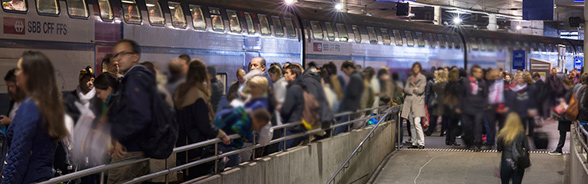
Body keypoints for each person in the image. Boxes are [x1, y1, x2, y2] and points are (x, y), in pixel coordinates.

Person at [2, 51, 69, 183]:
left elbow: (18, 158)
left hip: (27, 179)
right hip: (44, 177)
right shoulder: (48, 103)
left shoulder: (29, 107)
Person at [174, 59, 230, 180]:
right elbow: (204, 125)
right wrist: (221, 135)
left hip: (183, 146)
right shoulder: (197, 96)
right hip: (196, 149)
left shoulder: (181, 92)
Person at [107, 39, 153, 183]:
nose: (118, 58)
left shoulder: (134, 80)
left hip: (129, 152)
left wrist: (122, 139)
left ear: (135, 57)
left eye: (123, 54)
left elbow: (142, 116)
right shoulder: (141, 77)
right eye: (116, 55)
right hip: (139, 149)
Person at [457, 65, 488, 151]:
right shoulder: (465, 82)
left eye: (481, 72)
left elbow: (485, 96)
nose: (480, 74)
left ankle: (477, 143)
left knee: (478, 126)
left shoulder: (483, 83)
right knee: (467, 127)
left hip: (479, 109)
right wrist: (459, 106)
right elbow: (461, 95)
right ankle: (469, 142)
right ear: (474, 72)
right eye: (478, 72)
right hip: (467, 108)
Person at [497, 113, 530, 184]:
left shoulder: (502, 133)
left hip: (506, 162)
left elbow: (499, 149)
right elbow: (527, 148)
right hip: (518, 163)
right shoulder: (522, 133)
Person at [401, 62, 427, 149]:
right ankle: (414, 142)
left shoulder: (422, 78)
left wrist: (412, 89)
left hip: (418, 104)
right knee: (411, 123)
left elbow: (420, 90)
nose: (415, 69)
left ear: (419, 68)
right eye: (414, 67)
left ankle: (421, 142)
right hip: (409, 103)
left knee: (417, 122)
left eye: (417, 67)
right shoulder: (409, 78)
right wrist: (414, 89)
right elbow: (406, 89)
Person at [335, 61, 364, 134]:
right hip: (353, 108)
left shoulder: (355, 77)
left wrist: (345, 93)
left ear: (349, 68)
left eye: (345, 71)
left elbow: (354, 93)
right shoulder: (359, 76)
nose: (346, 74)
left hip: (350, 108)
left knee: (339, 131)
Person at [483, 69, 507, 149]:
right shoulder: (488, 83)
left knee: (502, 127)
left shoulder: (505, 84)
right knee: (490, 126)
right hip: (490, 107)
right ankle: (490, 142)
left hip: (502, 107)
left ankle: (501, 143)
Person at [426, 69, 447, 136]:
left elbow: (428, 93)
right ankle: (442, 131)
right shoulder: (445, 83)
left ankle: (430, 131)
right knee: (442, 117)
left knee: (433, 117)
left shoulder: (433, 82)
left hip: (435, 101)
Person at [444, 70, 461, 146]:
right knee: (454, 124)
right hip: (455, 106)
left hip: (448, 106)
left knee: (450, 124)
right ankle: (452, 140)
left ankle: (448, 140)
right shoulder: (457, 85)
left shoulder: (447, 85)